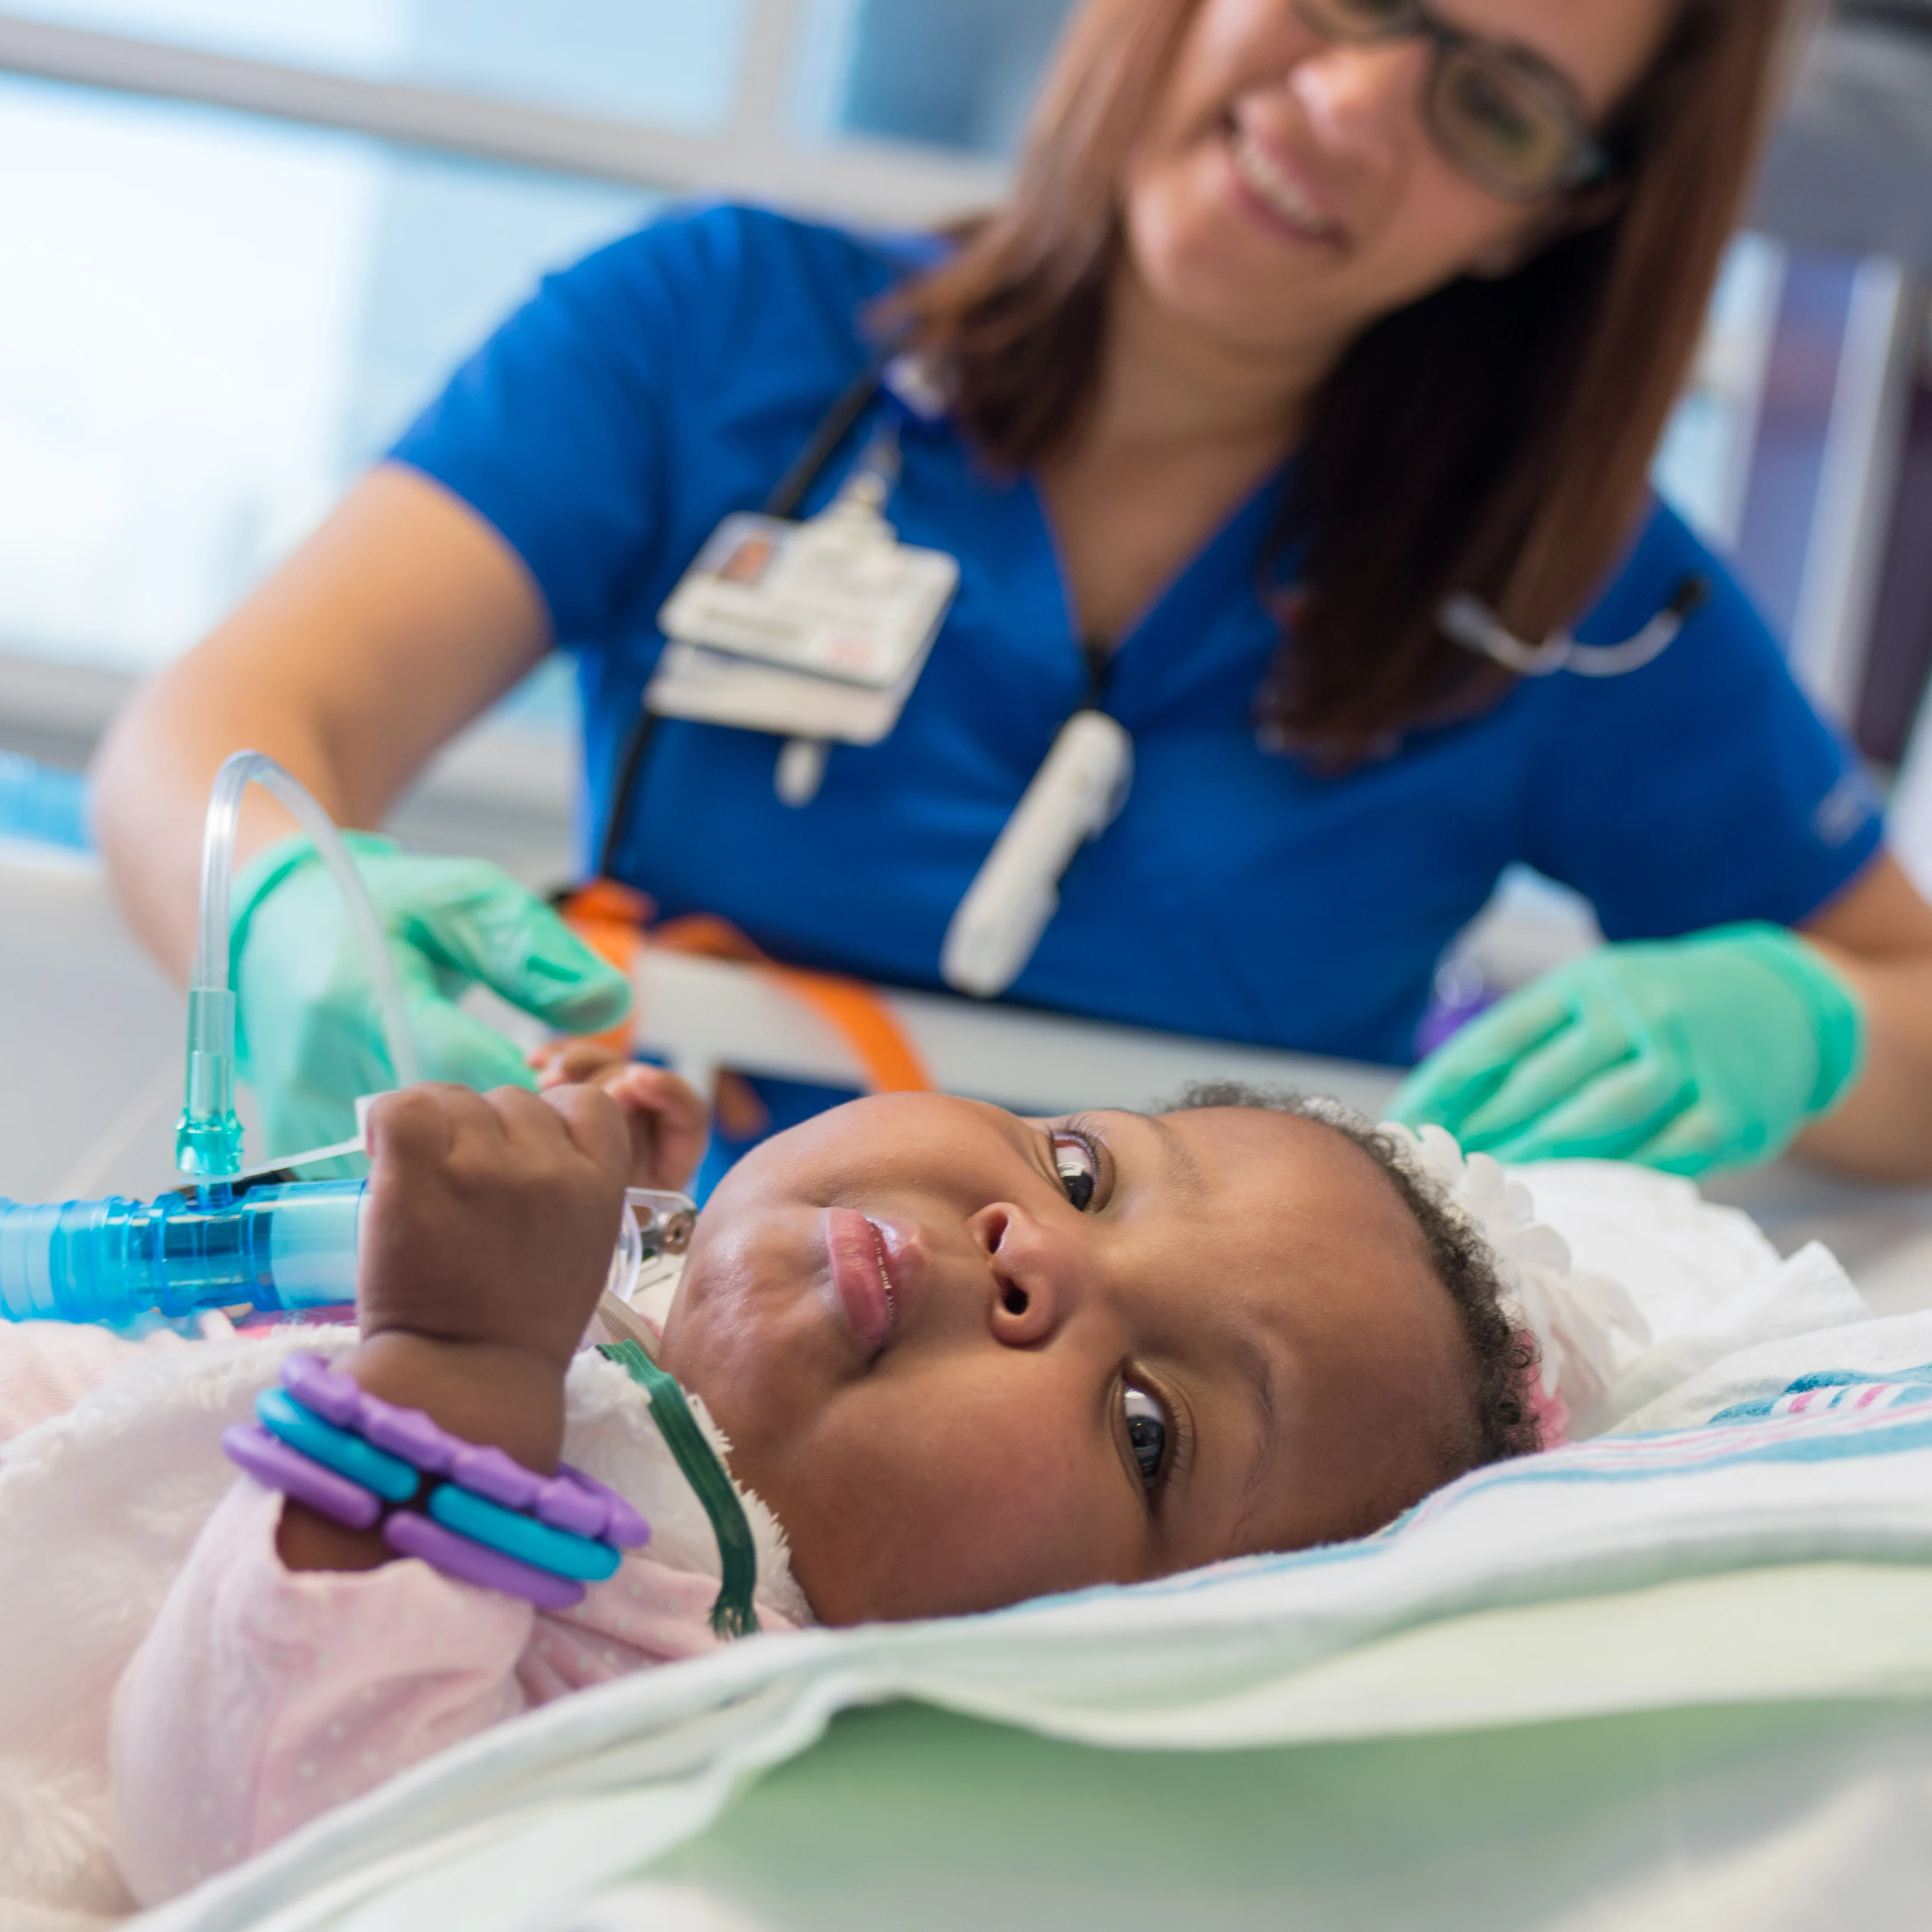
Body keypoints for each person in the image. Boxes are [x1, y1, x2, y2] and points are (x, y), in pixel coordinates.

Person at [91, 0, 1932, 1188]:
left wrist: (1801, 1014)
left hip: (1149, 1484)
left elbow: (1910, 1010)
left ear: (1549, 217)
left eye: (1499, 109)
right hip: (614, 1320)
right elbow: (210, 739)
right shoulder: (705, 331)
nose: (1358, 104)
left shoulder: (1570, 593)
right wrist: (276, 916)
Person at [92, 1066, 1532, 1900]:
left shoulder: (702, 1684)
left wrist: (457, 1367)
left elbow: (263, 1835)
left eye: (1148, 1427)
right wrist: (596, 1235)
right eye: (1084, 1171)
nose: (1041, 1251)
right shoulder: (633, 1334)